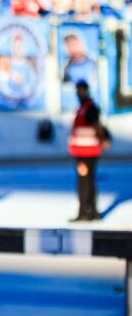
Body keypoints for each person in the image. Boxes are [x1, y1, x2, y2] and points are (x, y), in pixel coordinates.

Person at [68, 80, 107, 222]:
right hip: (85, 151)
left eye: (81, 90)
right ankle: (92, 212)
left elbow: (97, 126)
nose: (79, 93)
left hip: (86, 152)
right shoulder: (84, 107)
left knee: (84, 182)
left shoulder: (89, 108)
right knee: (89, 181)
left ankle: (85, 212)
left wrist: (102, 138)